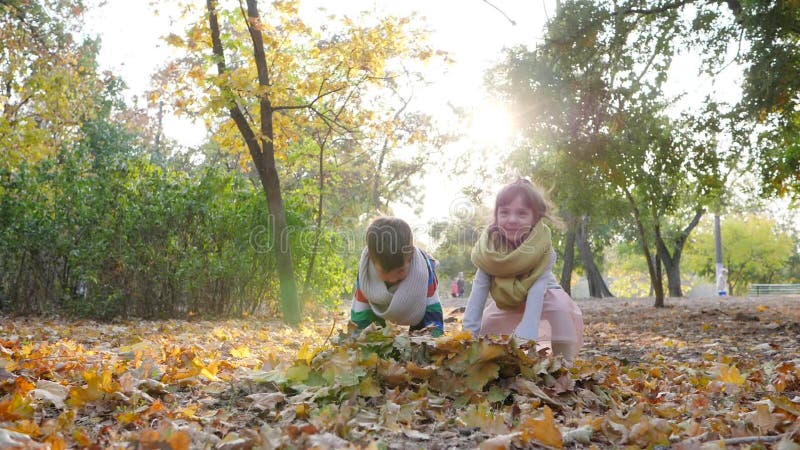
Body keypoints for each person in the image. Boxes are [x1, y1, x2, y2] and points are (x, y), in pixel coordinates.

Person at [462, 179, 583, 360]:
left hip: (543, 297)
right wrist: (468, 335)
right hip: (509, 299)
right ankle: (500, 361)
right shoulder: (489, 251)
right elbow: (478, 295)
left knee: (560, 311)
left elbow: (537, 290)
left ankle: (563, 364)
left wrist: (529, 328)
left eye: (521, 213)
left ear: (535, 218)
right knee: (488, 324)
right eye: (504, 213)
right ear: (496, 216)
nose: (512, 220)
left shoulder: (542, 250)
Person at [350, 216, 444, 336]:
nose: (393, 279)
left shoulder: (423, 269)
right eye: (384, 272)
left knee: (425, 335)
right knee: (371, 333)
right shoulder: (366, 271)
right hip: (377, 307)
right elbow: (360, 312)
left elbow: (432, 310)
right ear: (372, 262)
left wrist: (434, 337)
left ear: (411, 257)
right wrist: (359, 339)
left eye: (400, 271)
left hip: (416, 301)